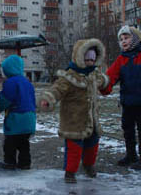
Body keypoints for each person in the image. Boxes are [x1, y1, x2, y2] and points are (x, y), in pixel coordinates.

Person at [39, 39, 109, 183]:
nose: (90, 61)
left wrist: (107, 82)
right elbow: (57, 89)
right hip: (73, 120)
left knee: (92, 145)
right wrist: (48, 98)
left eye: (93, 58)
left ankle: (88, 165)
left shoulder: (94, 74)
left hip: (91, 120)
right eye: (87, 58)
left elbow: (103, 81)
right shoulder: (69, 76)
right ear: (79, 57)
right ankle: (70, 172)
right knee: (74, 148)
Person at [101, 26, 141, 170]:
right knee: (127, 129)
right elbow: (111, 77)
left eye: (127, 38)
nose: (123, 41)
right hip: (127, 102)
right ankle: (131, 155)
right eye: (121, 39)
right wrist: (104, 86)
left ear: (136, 39)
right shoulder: (121, 59)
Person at [0, 55, 36, 170]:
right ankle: (25, 163)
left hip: (16, 117)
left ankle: (9, 162)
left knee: (10, 143)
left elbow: (6, 99)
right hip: (30, 118)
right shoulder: (27, 82)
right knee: (24, 143)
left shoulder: (10, 82)